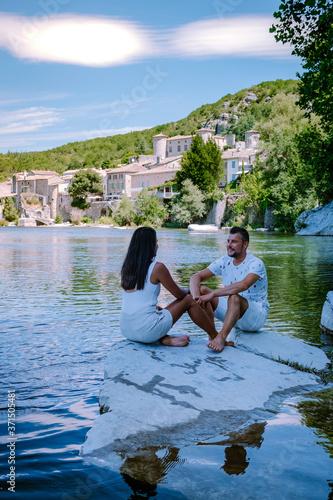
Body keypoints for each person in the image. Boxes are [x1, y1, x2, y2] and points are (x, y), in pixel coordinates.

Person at [120, 227, 219, 347]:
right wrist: (190, 291)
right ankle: (215, 336)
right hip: (146, 331)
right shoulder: (157, 268)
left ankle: (165, 339)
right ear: (148, 246)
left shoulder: (127, 268)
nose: (157, 246)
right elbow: (179, 295)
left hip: (126, 330)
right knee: (188, 300)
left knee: (158, 310)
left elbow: (139, 302)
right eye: (155, 242)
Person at [190, 226, 269, 352]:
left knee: (234, 296)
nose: (229, 245)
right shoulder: (224, 261)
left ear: (245, 244)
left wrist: (213, 294)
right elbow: (195, 277)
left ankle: (222, 337)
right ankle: (213, 336)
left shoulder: (255, 263)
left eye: (234, 242)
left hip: (255, 315)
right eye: (228, 241)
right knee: (202, 291)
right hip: (233, 312)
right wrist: (195, 298)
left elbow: (243, 285)